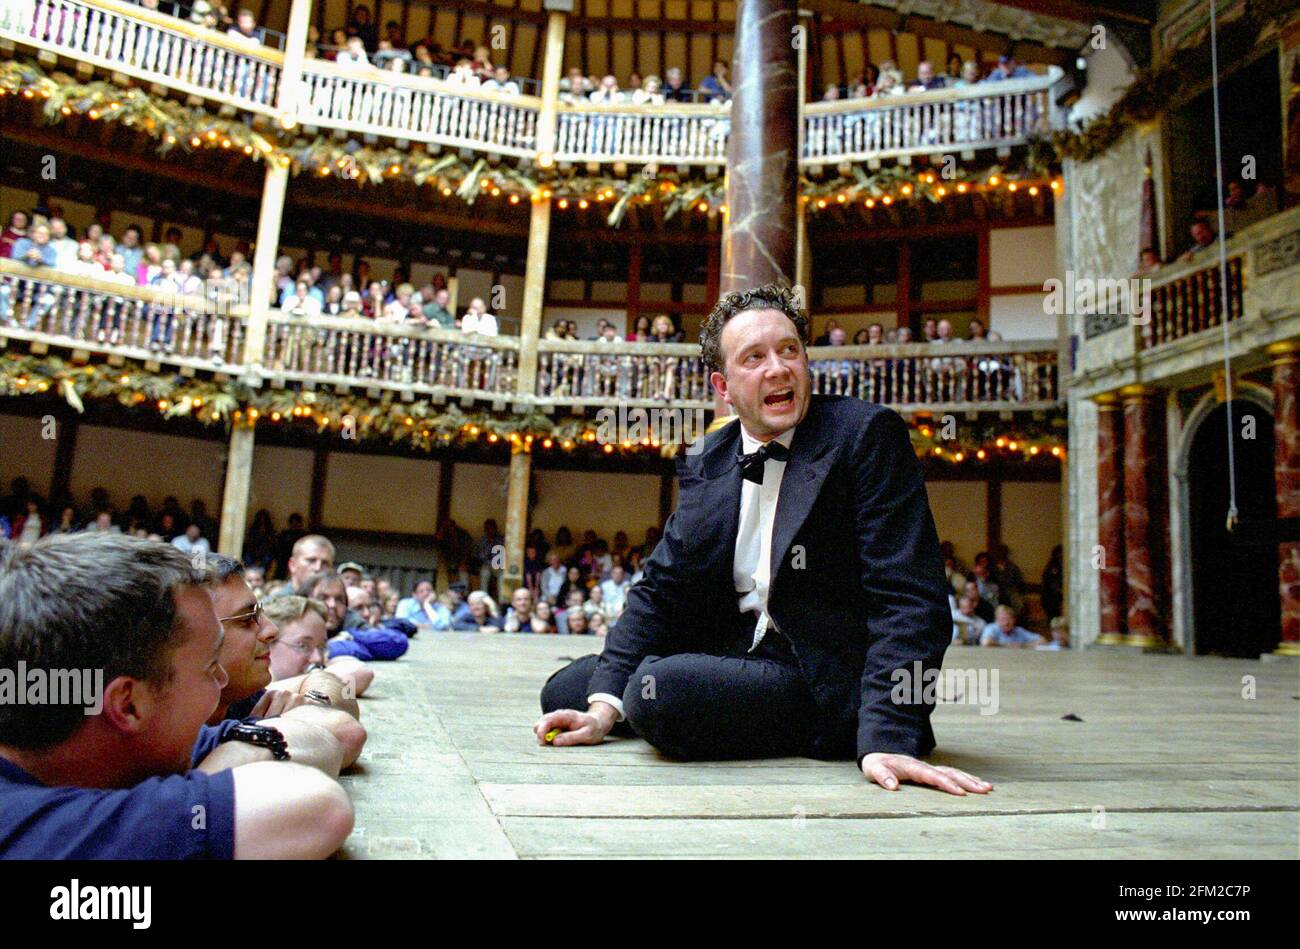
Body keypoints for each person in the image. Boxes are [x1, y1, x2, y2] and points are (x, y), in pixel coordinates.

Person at [535, 285, 991, 796]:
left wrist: (889, 734)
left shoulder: (865, 436)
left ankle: (815, 726)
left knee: (660, 693)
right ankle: (664, 704)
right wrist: (601, 712)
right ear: (724, 387)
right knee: (570, 689)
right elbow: (660, 587)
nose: (777, 368)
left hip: (822, 672)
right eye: (754, 358)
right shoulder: (707, 457)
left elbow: (912, 599)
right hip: (739, 648)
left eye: (789, 350)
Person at [0, 533, 353, 859]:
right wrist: (200, 789)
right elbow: (319, 808)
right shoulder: (30, 831)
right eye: (210, 665)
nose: (221, 678)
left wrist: (237, 751)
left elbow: (331, 738)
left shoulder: (101, 736)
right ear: (128, 704)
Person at [980, 605, 1044, 648]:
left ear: (1014, 620)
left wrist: (1022, 646)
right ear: (997, 620)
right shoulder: (991, 628)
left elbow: (1043, 641)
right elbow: (986, 643)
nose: (1006, 623)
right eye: (1003, 619)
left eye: (1009, 619)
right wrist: (1007, 646)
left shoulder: (1019, 631)